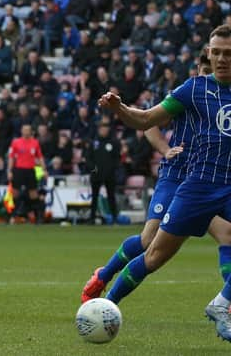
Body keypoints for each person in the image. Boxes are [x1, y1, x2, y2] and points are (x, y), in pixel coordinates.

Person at [96, 25, 231, 340]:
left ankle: (222, 303)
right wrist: (119, 108)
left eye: (229, 54)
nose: (223, 59)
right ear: (209, 54)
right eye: (217, 53)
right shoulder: (194, 89)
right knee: (154, 255)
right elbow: (145, 120)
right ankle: (105, 307)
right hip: (198, 185)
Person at [7, 124, 48, 223]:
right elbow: (11, 157)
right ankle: (12, 215)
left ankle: (38, 216)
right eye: (24, 130)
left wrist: (44, 170)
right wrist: (9, 170)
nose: (26, 132)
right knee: (15, 193)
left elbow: (40, 157)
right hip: (18, 170)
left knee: (33, 194)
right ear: (21, 131)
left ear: (31, 132)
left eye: (28, 130)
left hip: (30, 170)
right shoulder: (16, 142)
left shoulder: (35, 143)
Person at [84, 121, 120, 224]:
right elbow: (88, 158)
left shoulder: (113, 143)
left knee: (111, 196)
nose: (103, 130)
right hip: (96, 175)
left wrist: (112, 169)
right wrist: (93, 169)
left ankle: (114, 218)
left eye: (105, 128)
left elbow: (117, 158)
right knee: (94, 197)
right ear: (99, 129)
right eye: (102, 128)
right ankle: (92, 218)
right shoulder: (94, 143)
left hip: (109, 175)